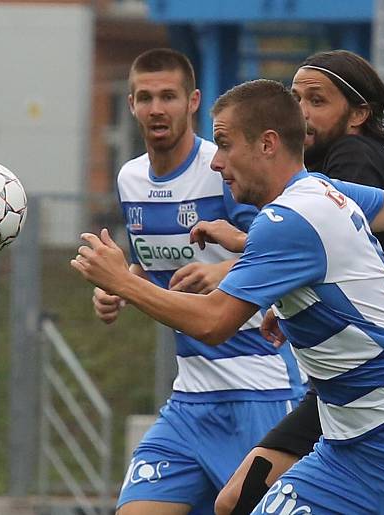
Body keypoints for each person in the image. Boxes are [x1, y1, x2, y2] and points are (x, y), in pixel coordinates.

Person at [72, 79, 384, 513]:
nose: (216, 162)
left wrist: (123, 281)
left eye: (225, 144)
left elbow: (213, 322)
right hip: (345, 450)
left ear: (267, 144)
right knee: (236, 503)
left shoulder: (287, 221)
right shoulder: (317, 193)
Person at [215, 49, 384, 515]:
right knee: (237, 502)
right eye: (295, 98)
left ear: (358, 114)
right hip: (347, 390)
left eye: (317, 101)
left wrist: (243, 262)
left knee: (239, 501)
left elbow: (312, 240)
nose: (301, 111)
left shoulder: (351, 159)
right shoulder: (319, 181)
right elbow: (352, 240)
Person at [92, 49, 306, 515]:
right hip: (189, 397)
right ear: (130, 105)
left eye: (168, 96)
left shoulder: (224, 168)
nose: (156, 108)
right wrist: (119, 284)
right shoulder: (130, 179)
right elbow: (151, 261)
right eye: (145, 97)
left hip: (259, 389)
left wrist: (224, 270)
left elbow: (281, 248)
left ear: (192, 102)